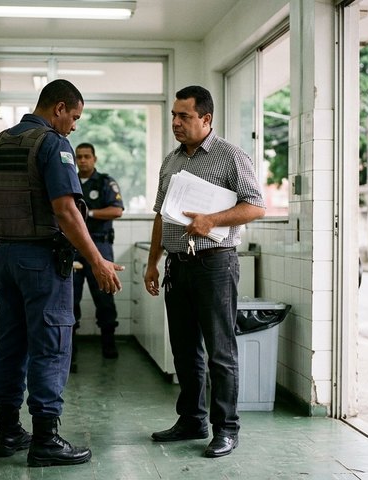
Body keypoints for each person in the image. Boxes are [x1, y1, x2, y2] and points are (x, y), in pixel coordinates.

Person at [0, 79, 123, 468]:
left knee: (10, 345)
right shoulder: (51, 144)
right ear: (58, 108)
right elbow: (65, 209)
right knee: (52, 344)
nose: (74, 126)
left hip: (6, 256)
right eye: (74, 117)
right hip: (42, 260)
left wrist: (2, 254)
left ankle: (8, 430)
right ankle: (45, 438)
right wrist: (96, 260)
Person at [143, 85, 265, 458]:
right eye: (174, 116)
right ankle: (192, 420)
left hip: (215, 264)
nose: (176, 123)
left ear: (206, 119)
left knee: (220, 351)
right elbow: (162, 217)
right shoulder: (171, 161)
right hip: (177, 266)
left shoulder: (230, 156)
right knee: (184, 351)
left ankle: (225, 428)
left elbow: (256, 206)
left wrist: (212, 219)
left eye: (184, 116)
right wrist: (153, 261)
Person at [73, 143, 124, 359]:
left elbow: (117, 210)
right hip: (73, 248)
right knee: (69, 298)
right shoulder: (68, 179)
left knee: (104, 295)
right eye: (79, 157)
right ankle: (70, 348)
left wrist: (88, 214)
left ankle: (108, 343)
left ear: (95, 158)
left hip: (100, 246)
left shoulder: (105, 182)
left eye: (87, 157)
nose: (82, 160)